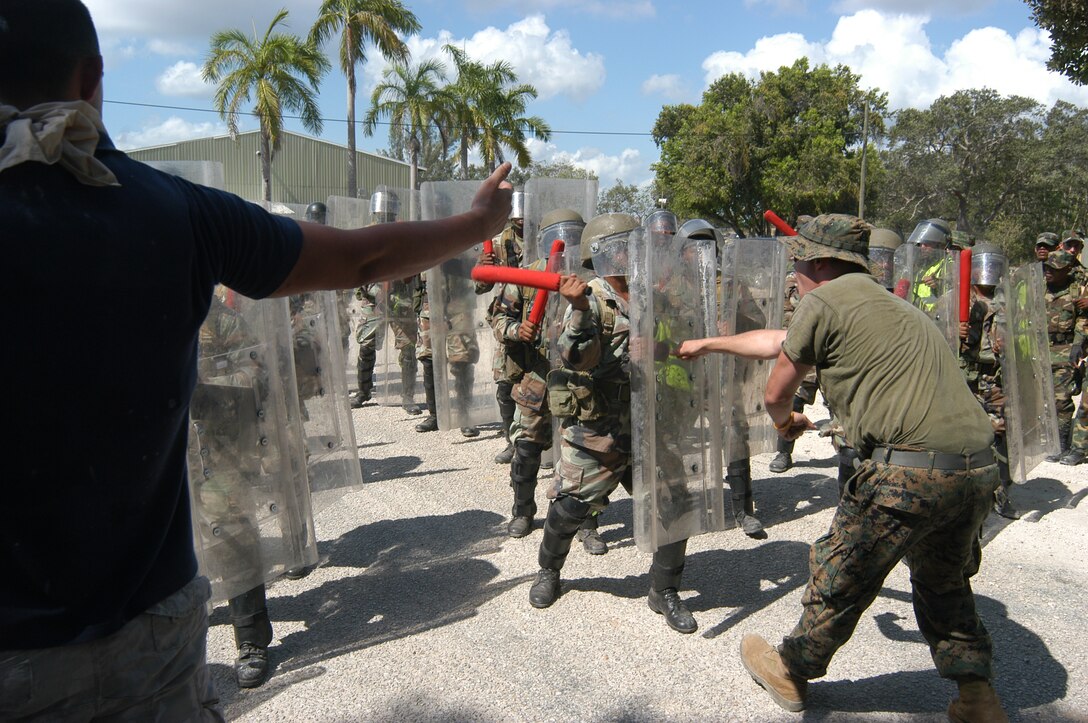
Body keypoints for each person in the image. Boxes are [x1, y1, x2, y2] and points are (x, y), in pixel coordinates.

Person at [0, 2, 514, 717]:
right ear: (92, 80)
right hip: (149, 643)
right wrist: (480, 222)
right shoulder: (174, 213)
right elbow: (364, 256)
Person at [677, 214, 1007, 720]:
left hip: (907, 473)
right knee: (944, 582)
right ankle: (977, 696)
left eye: (799, 264)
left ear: (819, 263)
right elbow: (780, 342)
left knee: (842, 575)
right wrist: (709, 344)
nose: (795, 275)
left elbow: (775, 391)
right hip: (977, 470)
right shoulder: (888, 306)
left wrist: (783, 422)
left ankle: (790, 671)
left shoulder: (824, 301)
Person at [528, 214, 698, 635]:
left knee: (674, 506)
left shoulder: (652, 293)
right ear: (601, 253)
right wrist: (581, 310)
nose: (629, 253)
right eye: (620, 246)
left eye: (631, 245)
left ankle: (665, 591)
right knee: (570, 508)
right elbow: (574, 357)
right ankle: (549, 570)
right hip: (599, 429)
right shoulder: (592, 296)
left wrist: (659, 349)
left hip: (651, 426)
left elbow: (682, 342)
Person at [958, 244, 1019, 518]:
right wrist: (953, 329)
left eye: (994, 267)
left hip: (994, 381)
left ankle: (1000, 493)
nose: (988, 274)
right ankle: (961, 491)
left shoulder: (1008, 304)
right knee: (960, 434)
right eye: (985, 267)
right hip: (962, 379)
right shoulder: (955, 300)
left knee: (998, 435)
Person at [1042, 249, 1088, 462]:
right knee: (1045, 398)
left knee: (1061, 399)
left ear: (1068, 270)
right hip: (1041, 349)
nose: (1049, 272)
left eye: (1055, 269)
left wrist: (1078, 345)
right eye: (1047, 267)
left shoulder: (1077, 292)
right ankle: (1049, 440)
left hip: (1065, 349)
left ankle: (1060, 443)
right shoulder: (1039, 288)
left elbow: (1082, 320)